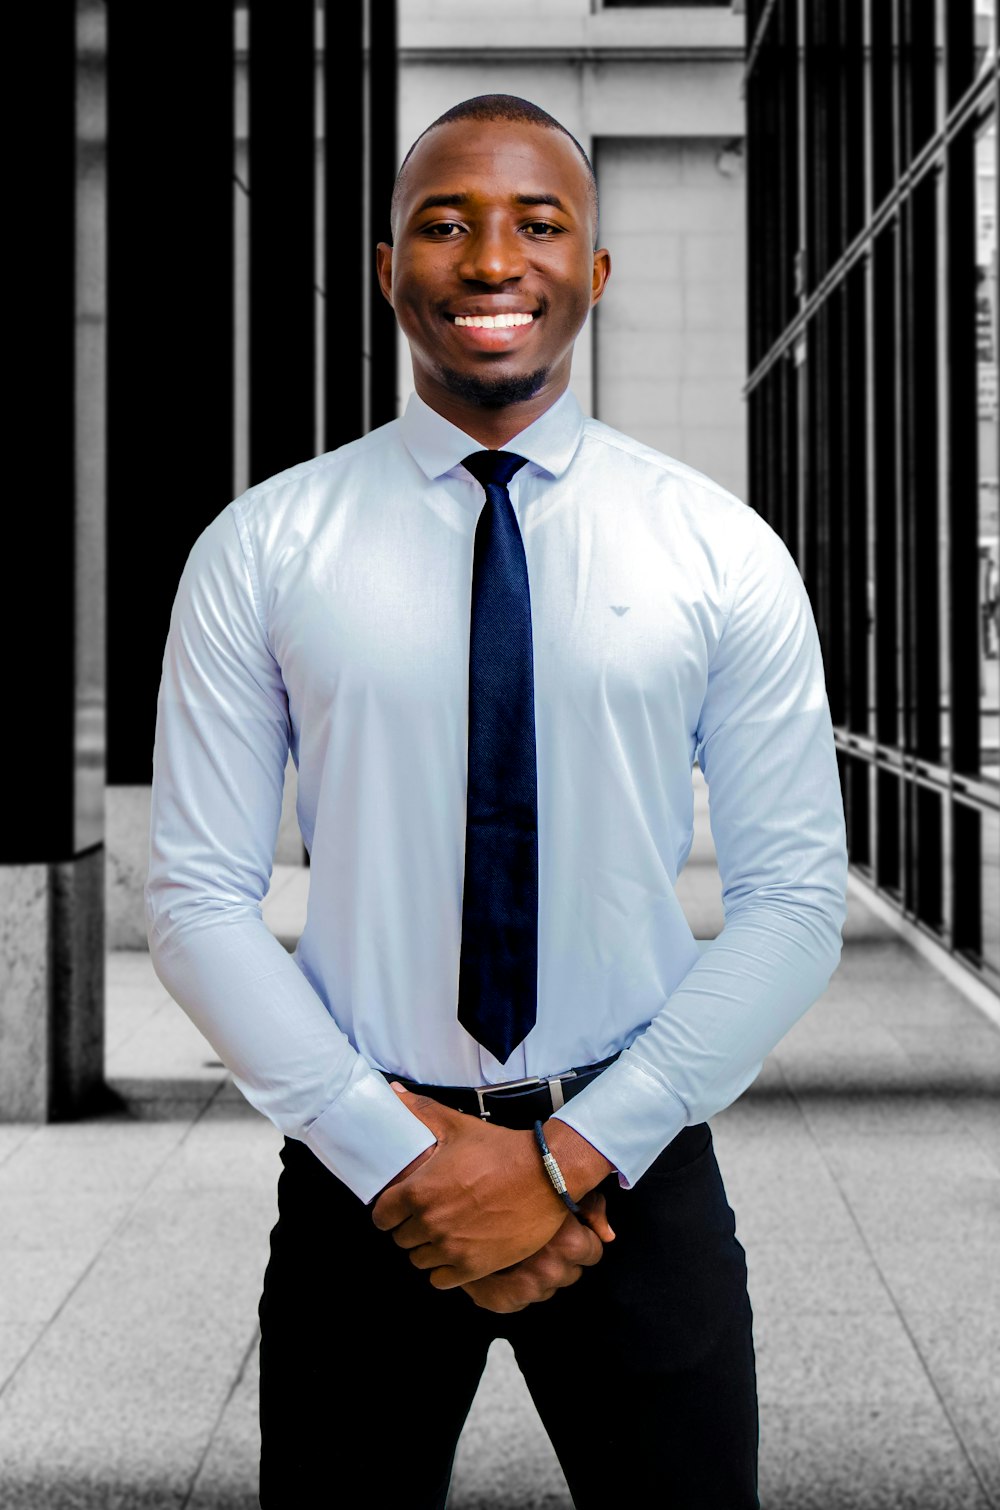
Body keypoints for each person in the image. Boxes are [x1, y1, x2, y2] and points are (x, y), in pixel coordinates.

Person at [145, 94, 848, 1509]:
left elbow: (794, 902)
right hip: (366, 1182)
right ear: (391, 261)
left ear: (594, 271)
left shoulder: (720, 549)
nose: (490, 261)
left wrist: (567, 1156)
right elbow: (195, 898)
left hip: (634, 1174)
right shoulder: (265, 547)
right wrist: (399, 1154)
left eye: (539, 224)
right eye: (445, 222)